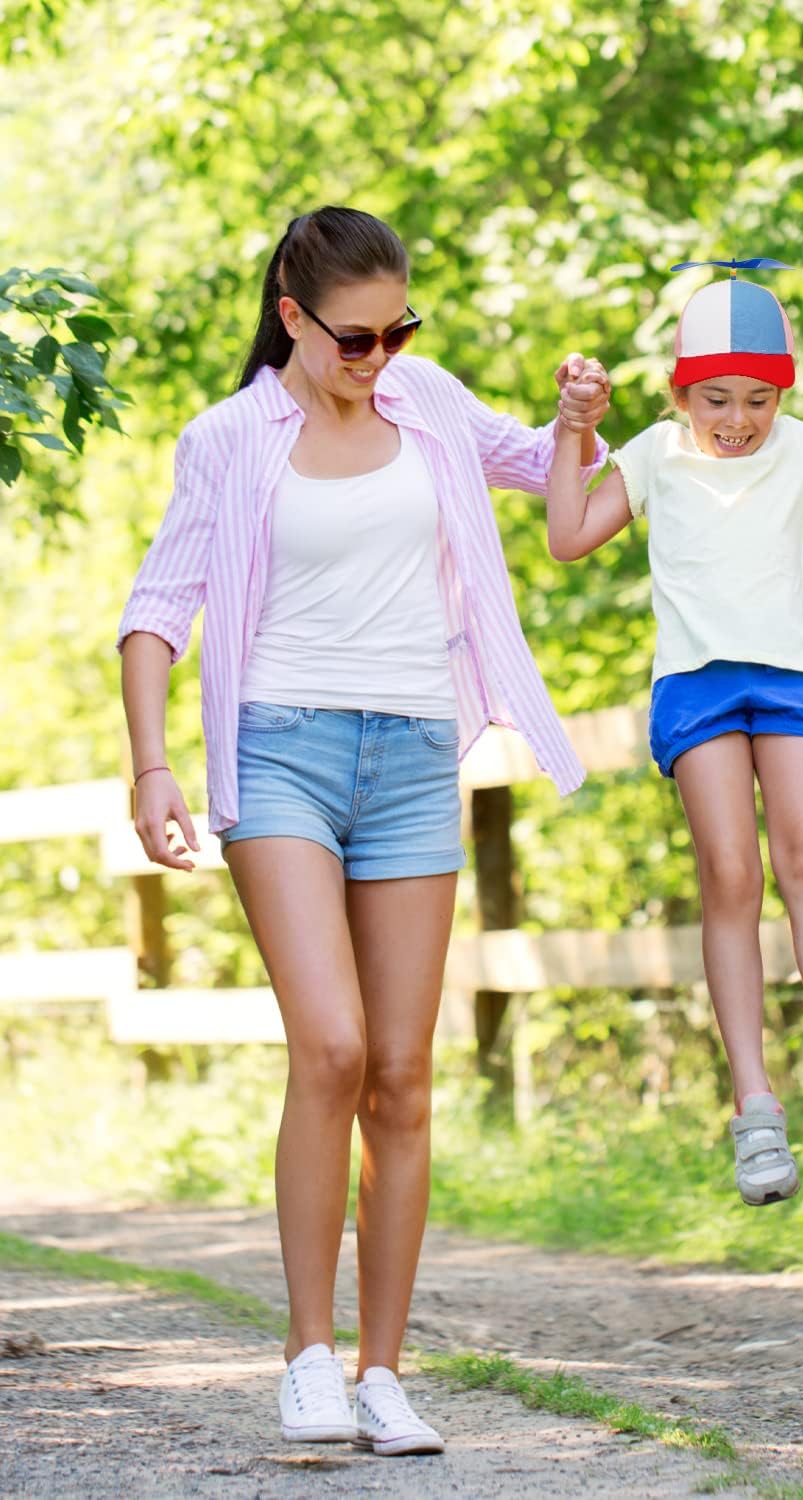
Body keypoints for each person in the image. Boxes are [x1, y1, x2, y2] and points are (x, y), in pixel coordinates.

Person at [119, 206, 610, 1457]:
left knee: (400, 1074)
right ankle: (307, 1358)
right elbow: (157, 608)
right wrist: (153, 764)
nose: (379, 356)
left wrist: (579, 417)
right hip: (279, 751)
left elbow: (544, 468)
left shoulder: (426, 400)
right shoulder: (228, 441)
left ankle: (385, 1373)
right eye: (355, 337)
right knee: (331, 1047)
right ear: (292, 318)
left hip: (412, 757)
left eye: (400, 330)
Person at [547, 262, 803, 1205]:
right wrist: (571, 430)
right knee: (730, 876)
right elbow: (567, 534)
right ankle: (754, 1106)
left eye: (758, 399)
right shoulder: (652, 454)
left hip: (792, 675)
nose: (737, 419)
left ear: (783, 393)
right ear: (680, 393)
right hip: (697, 686)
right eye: (715, 399)